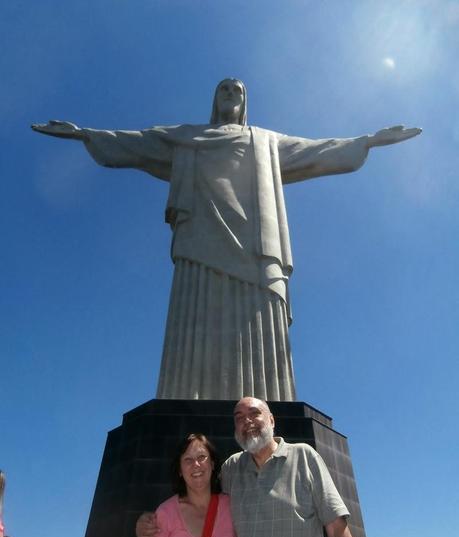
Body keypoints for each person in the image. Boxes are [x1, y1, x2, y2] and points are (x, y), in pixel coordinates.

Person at [31, 79, 421, 403]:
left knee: (262, 320)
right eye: (223, 89)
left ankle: (268, 406)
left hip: (256, 245)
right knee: (195, 314)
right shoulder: (187, 137)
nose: (230, 93)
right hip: (200, 238)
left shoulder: (265, 141)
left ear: (245, 101)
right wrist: (85, 134)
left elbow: (315, 150)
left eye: (237, 90)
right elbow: (138, 143)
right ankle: (184, 399)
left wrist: (367, 141)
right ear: (215, 101)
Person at [137, 397, 365, 537]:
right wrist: (146, 522)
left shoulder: (305, 458)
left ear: (272, 421)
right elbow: (198, 494)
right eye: (239, 417)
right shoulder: (231, 469)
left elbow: (338, 531)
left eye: (254, 413)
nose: (247, 421)